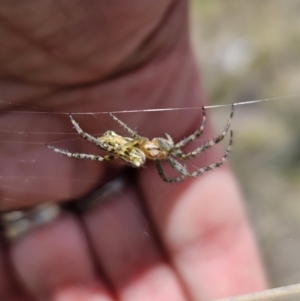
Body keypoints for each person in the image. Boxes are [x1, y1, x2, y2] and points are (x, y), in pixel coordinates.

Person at [0, 1, 266, 300]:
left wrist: (220, 141)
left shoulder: (159, 154)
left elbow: (181, 167)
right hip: (124, 139)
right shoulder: (144, 144)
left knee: (172, 163)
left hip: (128, 145)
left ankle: (79, 143)